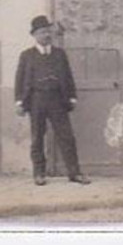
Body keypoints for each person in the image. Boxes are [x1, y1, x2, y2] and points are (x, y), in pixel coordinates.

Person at [14, 15, 90, 185]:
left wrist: (72, 97)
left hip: (57, 100)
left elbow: (68, 77)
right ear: (34, 35)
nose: (46, 35)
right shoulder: (26, 56)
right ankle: (39, 174)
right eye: (42, 32)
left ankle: (74, 173)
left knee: (67, 136)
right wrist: (19, 102)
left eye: (48, 32)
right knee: (37, 138)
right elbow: (19, 80)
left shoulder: (59, 54)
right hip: (36, 100)